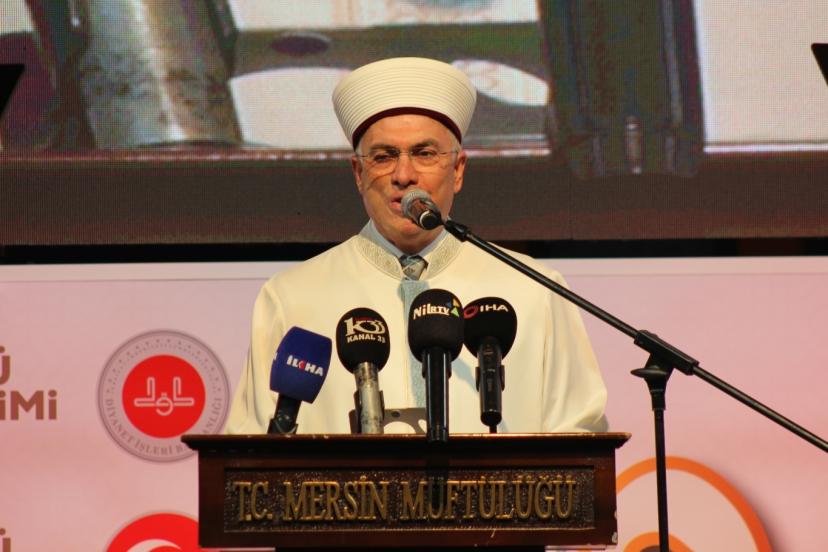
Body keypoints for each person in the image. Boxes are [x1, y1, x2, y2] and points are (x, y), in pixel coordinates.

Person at [224, 57, 607, 435]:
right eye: (383, 157)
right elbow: (250, 450)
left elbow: (580, 436)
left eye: (425, 154)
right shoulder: (292, 297)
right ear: (358, 174)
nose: (404, 175)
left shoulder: (535, 290)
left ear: (458, 170)